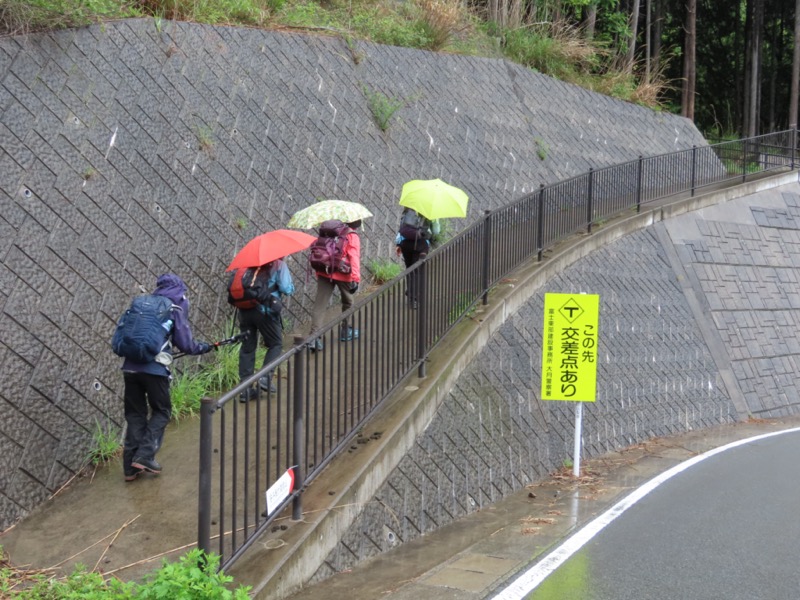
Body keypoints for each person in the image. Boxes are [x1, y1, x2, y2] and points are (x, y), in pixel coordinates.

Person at [121, 273, 211, 481]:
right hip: (155, 370)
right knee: (162, 411)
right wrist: (203, 348)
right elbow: (186, 344)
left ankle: (129, 467)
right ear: (179, 290)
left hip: (130, 368)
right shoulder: (173, 307)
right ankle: (144, 455)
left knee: (135, 414)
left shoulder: (143, 305)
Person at [237, 258, 295, 402]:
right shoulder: (278, 264)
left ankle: (245, 390)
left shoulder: (247, 264)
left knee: (247, 348)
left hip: (244, 310)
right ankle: (265, 377)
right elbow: (286, 288)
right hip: (265, 310)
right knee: (276, 343)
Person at [309, 220, 362, 351]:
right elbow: (354, 257)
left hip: (324, 271)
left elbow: (320, 250)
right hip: (342, 273)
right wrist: (356, 277)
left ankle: (314, 338)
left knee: (319, 305)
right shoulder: (352, 235)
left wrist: (319, 272)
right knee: (348, 302)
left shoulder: (329, 232)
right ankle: (346, 330)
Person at [395, 208, 440, 309]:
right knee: (417, 271)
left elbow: (401, 228)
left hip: (405, 244)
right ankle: (413, 298)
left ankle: (411, 291)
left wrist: (398, 243)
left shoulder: (408, 209)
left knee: (410, 269)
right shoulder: (431, 211)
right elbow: (436, 231)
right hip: (420, 245)